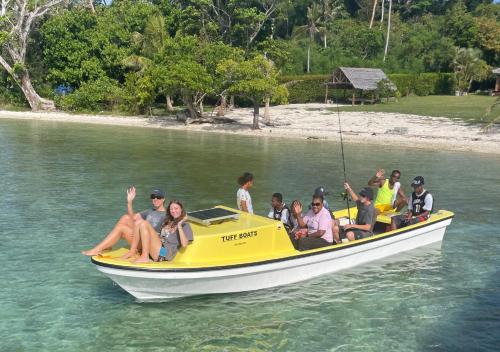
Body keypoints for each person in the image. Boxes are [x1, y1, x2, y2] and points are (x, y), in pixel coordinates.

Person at [82, 187, 167, 256]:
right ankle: (108, 245)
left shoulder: (166, 214)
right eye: (153, 197)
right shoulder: (149, 211)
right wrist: (129, 202)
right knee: (125, 218)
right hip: (140, 237)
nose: (155, 199)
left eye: (158, 197)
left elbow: (167, 234)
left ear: (163, 199)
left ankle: (98, 249)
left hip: (150, 243)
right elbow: (132, 218)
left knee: (121, 228)